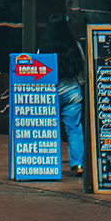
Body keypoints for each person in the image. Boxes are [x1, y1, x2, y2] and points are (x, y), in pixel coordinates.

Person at [44, 12, 86, 176]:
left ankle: (47, 163)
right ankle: (77, 164)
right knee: (74, 129)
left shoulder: (44, 49)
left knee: (48, 130)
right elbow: (82, 68)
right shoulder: (74, 46)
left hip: (50, 94)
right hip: (72, 93)